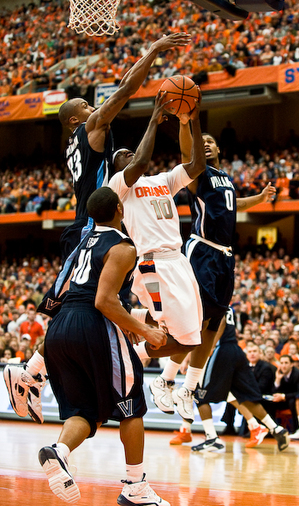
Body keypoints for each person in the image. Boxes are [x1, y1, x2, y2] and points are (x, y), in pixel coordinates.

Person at [3, 32, 191, 425]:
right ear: (76, 118)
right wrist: (153, 51)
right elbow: (124, 89)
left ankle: (32, 374)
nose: (95, 107)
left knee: (80, 309)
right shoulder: (89, 130)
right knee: (88, 307)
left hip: (85, 227)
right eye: (88, 105)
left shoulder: (78, 144)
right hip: (94, 228)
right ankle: (30, 374)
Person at [38, 186, 170, 506]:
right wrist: (144, 330)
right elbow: (104, 301)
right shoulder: (123, 247)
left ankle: (60, 451)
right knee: (131, 403)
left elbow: (78, 291)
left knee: (85, 411)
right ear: (119, 211)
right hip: (92, 326)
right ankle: (135, 485)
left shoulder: (83, 242)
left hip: (60, 327)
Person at [150, 118, 276, 423]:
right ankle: (165, 379)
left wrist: (259, 199)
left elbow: (234, 206)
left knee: (213, 324)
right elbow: (185, 155)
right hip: (203, 250)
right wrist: (187, 123)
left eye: (210, 141)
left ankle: (188, 388)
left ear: (218, 148)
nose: (205, 144)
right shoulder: (198, 174)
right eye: (200, 141)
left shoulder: (225, 178)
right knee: (197, 319)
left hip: (225, 257)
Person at [109, 88, 207, 414]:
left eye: (129, 152)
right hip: (153, 263)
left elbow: (196, 165)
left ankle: (134, 345)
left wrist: (193, 119)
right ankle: (143, 364)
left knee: (192, 336)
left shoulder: (164, 180)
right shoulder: (120, 185)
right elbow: (140, 161)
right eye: (123, 153)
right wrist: (153, 119)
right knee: (178, 336)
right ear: (117, 165)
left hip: (178, 260)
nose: (129, 154)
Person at [184, 308, 289, 452]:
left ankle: (211, 438)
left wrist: (211, 345)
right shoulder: (227, 303)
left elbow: (220, 320)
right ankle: (275, 428)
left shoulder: (213, 300)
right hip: (236, 349)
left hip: (222, 351)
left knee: (200, 395)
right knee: (246, 397)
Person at [265, 355, 299, 439]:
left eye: (286, 363)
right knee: (269, 402)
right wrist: (277, 380)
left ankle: (296, 430)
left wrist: (284, 396)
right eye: (281, 363)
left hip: (293, 400)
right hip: (282, 401)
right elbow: (273, 392)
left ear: (291, 364)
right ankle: (271, 430)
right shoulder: (278, 373)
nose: (283, 365)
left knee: (293, 402)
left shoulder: (297, 374)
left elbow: (298, 393)